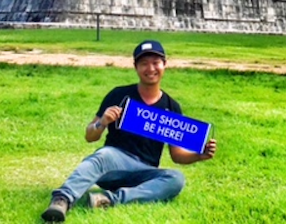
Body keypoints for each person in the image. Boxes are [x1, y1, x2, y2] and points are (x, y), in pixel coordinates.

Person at [41, 39, 217, 222]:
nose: (150, 68)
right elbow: (90, 136)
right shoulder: (119, 95)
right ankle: (62, 199)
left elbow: (177, 155)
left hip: (145, 171)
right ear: (135, 67)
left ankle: (107, 200)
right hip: (113, 164)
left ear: (164, 64)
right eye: (144, 63)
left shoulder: (172, 107)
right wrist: (102, 122)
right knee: (103, 155)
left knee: (176, 179)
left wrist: (199, 155)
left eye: (156, 63)